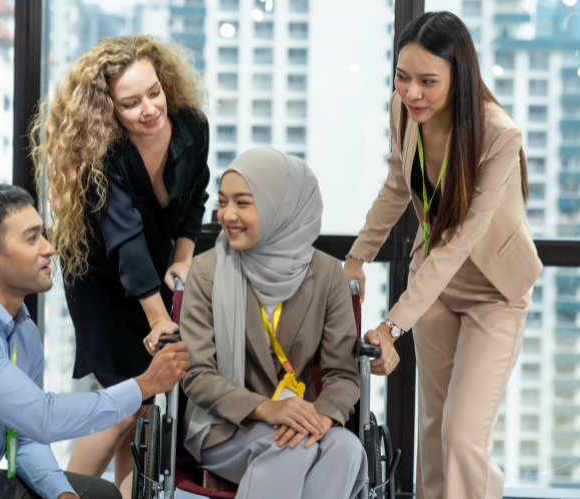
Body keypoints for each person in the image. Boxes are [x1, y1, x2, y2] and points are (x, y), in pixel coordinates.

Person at [0, 184, 189, 499]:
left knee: (98, 494)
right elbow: (42, 418)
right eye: (31, 238)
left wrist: (61, 494)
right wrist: (145, 385)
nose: (49, 248)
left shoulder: (22, 331)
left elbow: (26, 436)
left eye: (43, 234)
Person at [344, 12, 543, 499]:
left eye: (428, 82)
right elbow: (398, 185)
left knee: (462, 437)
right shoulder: (404, 111)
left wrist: (392, 326)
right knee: (433, 435)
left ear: (461, 77)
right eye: (403, 77)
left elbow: (463, 239)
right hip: (434, 290)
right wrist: (357, 256)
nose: (412, 93)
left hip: (494, 293)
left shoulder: (499, 135)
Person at [29, 35, 209, 495]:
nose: (149, 109)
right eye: (130, 103)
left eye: (155, 92)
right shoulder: (105, 155)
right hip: (104, 281)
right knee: (123, 403)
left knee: (148, 405)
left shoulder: (191, 127)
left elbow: (197, 197)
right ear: (107, 109)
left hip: (156, 267)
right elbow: (123, 241)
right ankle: (62, 493)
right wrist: (158, 319)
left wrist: (184, 255)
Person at [179, 148, 368, 499]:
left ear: (282, 208)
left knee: (347, 450)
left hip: (302, 419)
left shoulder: (328, 275)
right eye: (222, 202)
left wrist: (322, 418)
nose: (227, 215)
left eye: (243, 203)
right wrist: (268, 409)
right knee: (293, 448)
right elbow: (197, 375)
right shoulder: (207, 273)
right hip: (226, 426)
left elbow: (343, 374)